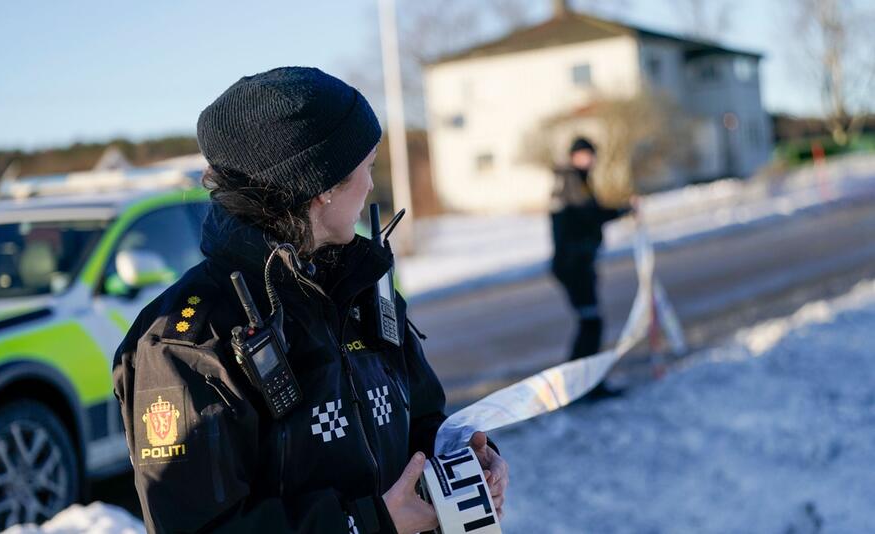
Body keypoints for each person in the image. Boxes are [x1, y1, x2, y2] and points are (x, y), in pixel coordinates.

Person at [113, 67, 508, 534]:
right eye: (368, 166)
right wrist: (367, 524)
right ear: (321, 186)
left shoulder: (365, 285)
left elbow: (420, 416)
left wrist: (466, 461)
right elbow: (201, 527)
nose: (370, 184)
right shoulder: (189, 341)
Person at [549, 137, 629, 393]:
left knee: (589, 323)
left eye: (591, 154)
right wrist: (622, 211)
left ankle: (578, 383)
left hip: (579, 263)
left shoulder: (577, 181)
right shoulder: (571, 182)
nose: (588, 160)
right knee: (591, 324)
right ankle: (584, 384)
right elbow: (589, 215)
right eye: (583, 155)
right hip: (575, 266)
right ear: (573, 157)